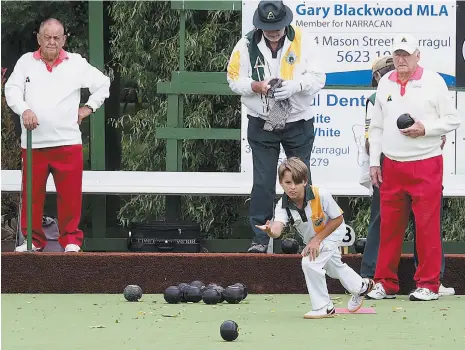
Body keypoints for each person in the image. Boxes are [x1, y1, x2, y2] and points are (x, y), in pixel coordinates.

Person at [367, 34, 461, 301]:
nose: (400, 59)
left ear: (417, 55)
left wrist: (426, 129)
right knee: (388, 227)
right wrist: (375, 161)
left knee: (427, 226)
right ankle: (385, 282)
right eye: (397, 54)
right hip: (392, 165)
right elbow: (376, 127)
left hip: (426, 162)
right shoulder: (385, 81)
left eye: (406, 55)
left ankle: (429, 284)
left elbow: (453, 119)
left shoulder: (434, 82)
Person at [227, 1, 326, 253]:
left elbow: (318, 78)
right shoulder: (246, 44)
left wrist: (295, 85)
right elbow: (233, 79)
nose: (273, 32)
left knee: (302, 181)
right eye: (267, 27)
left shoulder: (303, 40)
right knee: (263, 181)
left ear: (286, 22)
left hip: (297, 121)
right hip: (262, 122)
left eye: (277, 27)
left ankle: (310, 237)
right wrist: (255, 86)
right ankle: (260, 240)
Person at [5, 18, 110, 253]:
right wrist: (25, 110)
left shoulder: (76, 63)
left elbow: (103, 84)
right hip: (34, 143)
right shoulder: (25, 63)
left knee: (70, 196)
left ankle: (71, 240)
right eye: (47, 37)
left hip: (68, 142)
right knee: (32, 195)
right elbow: (11, 90)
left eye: (57, 37)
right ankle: (33, 241)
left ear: (64, 39)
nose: (52, 42)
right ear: (39, 38)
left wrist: (88, 108)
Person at [256, 157, 374, 318]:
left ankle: (324, 307)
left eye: (297, 182)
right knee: (334, 268)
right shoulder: (282, 205)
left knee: (309, 262)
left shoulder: (321, 194)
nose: (292, 187)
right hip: (315, 239)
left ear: (305, 181)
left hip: (333, 231)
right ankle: (361, 286)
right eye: (288, 182)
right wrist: (270, 231)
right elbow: (277, 228)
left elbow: (338, 219)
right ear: (281, 183)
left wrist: (317, 240)